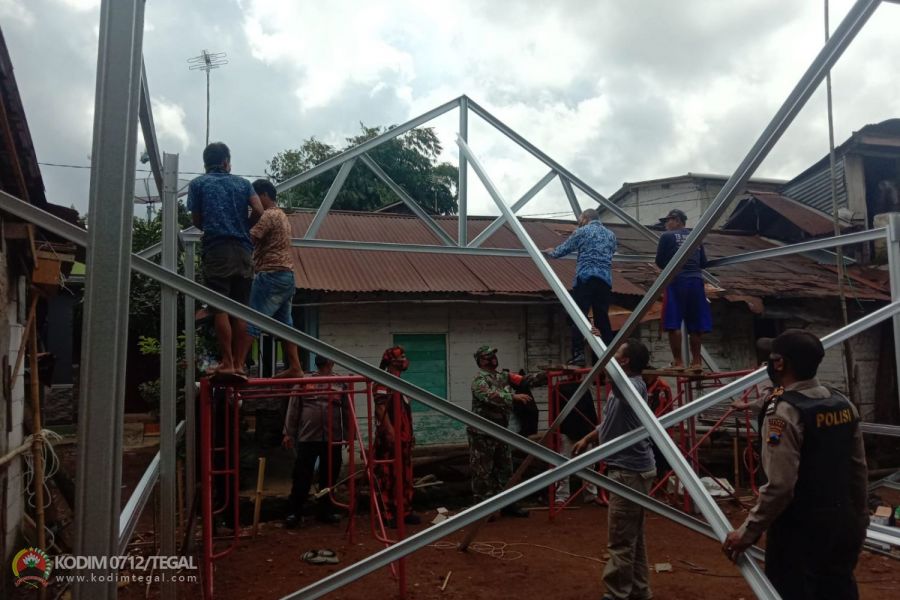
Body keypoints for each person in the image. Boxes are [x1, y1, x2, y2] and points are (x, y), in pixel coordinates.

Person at [722, 330, 868, 599]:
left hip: (801, 532)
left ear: (779, 364)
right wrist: (860, 517)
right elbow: (858, 469)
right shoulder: (843, 403)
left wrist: (747, 533)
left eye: (771, 357)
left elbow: (780, 486)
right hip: (843, 523)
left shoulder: (784, 413)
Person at [573, 338, 655, 600]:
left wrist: (594, 341)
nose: (612, 354)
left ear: (625, 361)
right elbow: (610, 422)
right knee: (634, 536)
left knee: (620, 539)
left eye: (616, 352)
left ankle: (616, 594)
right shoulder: (628, 389)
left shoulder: (631, 387)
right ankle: (639, 590)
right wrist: (588, 438)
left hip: (628, 472)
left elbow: (609, 373)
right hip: (634, 470)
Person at [187, 142, 264, 379]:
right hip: (242, 251)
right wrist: (243, 227)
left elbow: (197, 218)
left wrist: (210, 226)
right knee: (240, 310)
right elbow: (260, 211)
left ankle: (228, 362)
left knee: (219, 308)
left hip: (217, 250)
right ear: (226, 162)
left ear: (206, 163)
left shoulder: (198, 184)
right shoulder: (243, 183)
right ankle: (239, 365)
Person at [469, 346, 547, 517]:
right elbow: (489, 395)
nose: (491, 359)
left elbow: (525, 381)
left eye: (493, 355)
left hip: (501, 432)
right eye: (487, 357)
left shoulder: (504, 376)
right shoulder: (479, 380)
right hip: (482, 434)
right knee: (483, 471)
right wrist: (513, 397)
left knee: (505, 469)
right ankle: (483, 510)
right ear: (480, 361)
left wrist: (545, 376)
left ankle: (508, 504)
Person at [282, 355, 349, 528]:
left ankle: (325, 511)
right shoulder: (304, 381)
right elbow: (294, 407)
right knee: (302, 476)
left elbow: (348, 411)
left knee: (329, 476)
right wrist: (288, 433)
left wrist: (350, 434)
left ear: (332, 362)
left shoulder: (340, 382)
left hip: (332, 438)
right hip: (308, 437)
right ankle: (294, 513)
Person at [544, 208, 617, 366]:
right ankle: (609, 353)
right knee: (602, 318)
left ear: (585, 218)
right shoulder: (611, 235)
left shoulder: (582, 231)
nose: (578, 222)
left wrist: (551, 251)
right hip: (604, 280)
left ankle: (579, 354)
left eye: (579, 219)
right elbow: (612, 251)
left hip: (586, 278)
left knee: (579, 316)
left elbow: (562, 250)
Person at [246, 179, 304, 378]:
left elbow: (249, 240)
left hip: (271, 274)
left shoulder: (269, 216)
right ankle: (295, 367)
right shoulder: (282, 216)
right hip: (287, 276)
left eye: (253, 198)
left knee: (250, 319)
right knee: (285, 325)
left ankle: (235, 365)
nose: (252, 204)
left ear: (262, 195)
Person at [654, 208, 711, 370]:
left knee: (673, 323)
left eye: (668, 220)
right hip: (696, 281)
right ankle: (697, 363)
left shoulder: (666, 237)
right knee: (695, 325)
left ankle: (678, 362)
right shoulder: (696, 238)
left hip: (676, 280)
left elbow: (660, 261)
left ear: (678, 220)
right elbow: (703, 263)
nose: (666, 224)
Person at [372, 346, 421, 528]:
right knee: (387, 476)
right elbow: (380, 409)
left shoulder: (402, 383)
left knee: (406, 476)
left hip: (405, 439)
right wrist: (391, 432)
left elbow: (406, 413)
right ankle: (388, 513)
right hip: (389, 441)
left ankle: (405, 510)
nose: (404, 359)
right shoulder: (383, 382)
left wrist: (411, 435)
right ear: (391, 361)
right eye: (401, 357)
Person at [555, 381, 599, 505]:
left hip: (580, 430)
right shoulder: (561, 388)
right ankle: (562, 496)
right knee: (564, 463)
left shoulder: (583, 388)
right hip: (570, 430)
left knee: (585, 464)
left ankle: (588, 494)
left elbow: (591, 411)